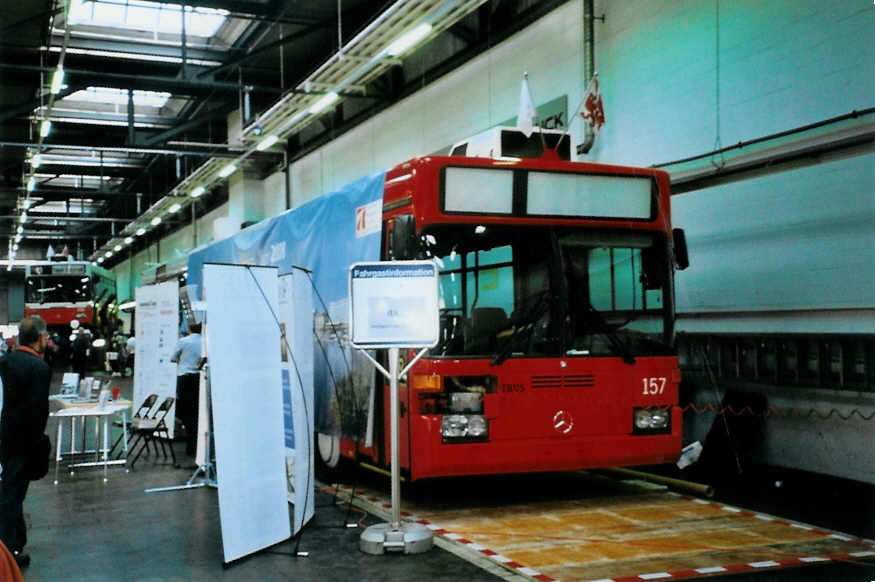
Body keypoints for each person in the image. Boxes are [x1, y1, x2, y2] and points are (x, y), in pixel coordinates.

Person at [0, 316, 52, 569]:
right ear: (39, 337)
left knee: (12, 493)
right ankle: (8, 551)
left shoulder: (5, 362)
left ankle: (17, 540)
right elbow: (38, 413)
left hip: (6, 439)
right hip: (24, 444)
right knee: (11, 496)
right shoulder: (39, 369)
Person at [171, 322, 202, 457]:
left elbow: (173, 358)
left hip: (184, 378)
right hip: (198, 378)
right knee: (196, 410)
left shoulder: (183, 341)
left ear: (189, 329)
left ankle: (190, 441)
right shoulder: (205, 341)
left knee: (184, 410)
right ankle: (195, 444)